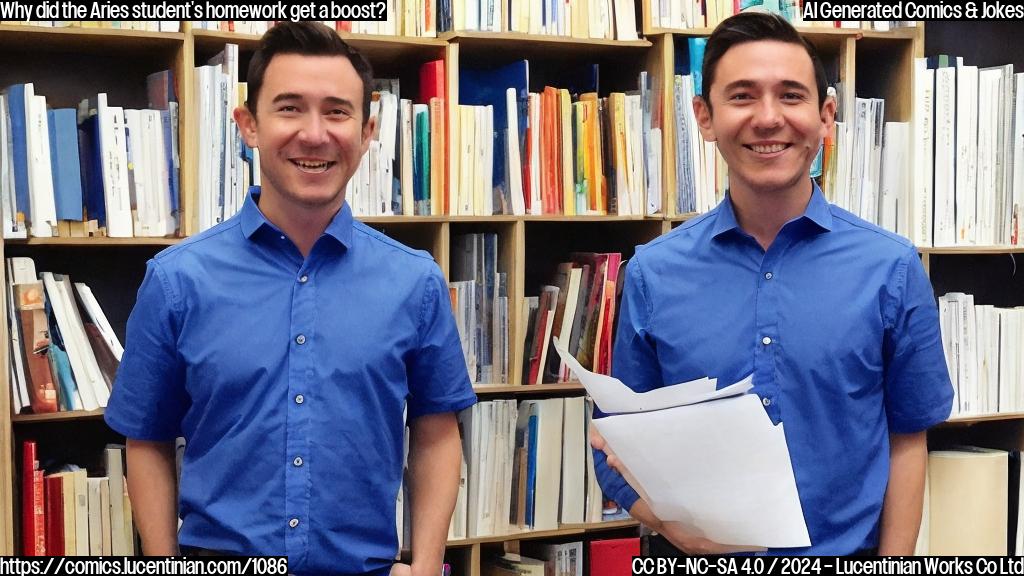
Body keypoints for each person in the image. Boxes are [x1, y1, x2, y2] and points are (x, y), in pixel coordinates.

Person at [104, 21, 476, 575]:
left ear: (368, 131)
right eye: (290, 108)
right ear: (249, 125)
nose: (314, 134)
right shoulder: (177, 281)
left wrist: (424, 567)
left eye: (337, 112)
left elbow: (436, 433)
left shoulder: (415, 282)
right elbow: (147, 438)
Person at [592, 12, 953, 556]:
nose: (768, 118)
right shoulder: (652, 274)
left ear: (825, 116)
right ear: (704, 117)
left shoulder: (891, 268)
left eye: (790, 96)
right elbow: (612, 444)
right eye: (742, 96)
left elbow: (908, 438)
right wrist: (670, 527)